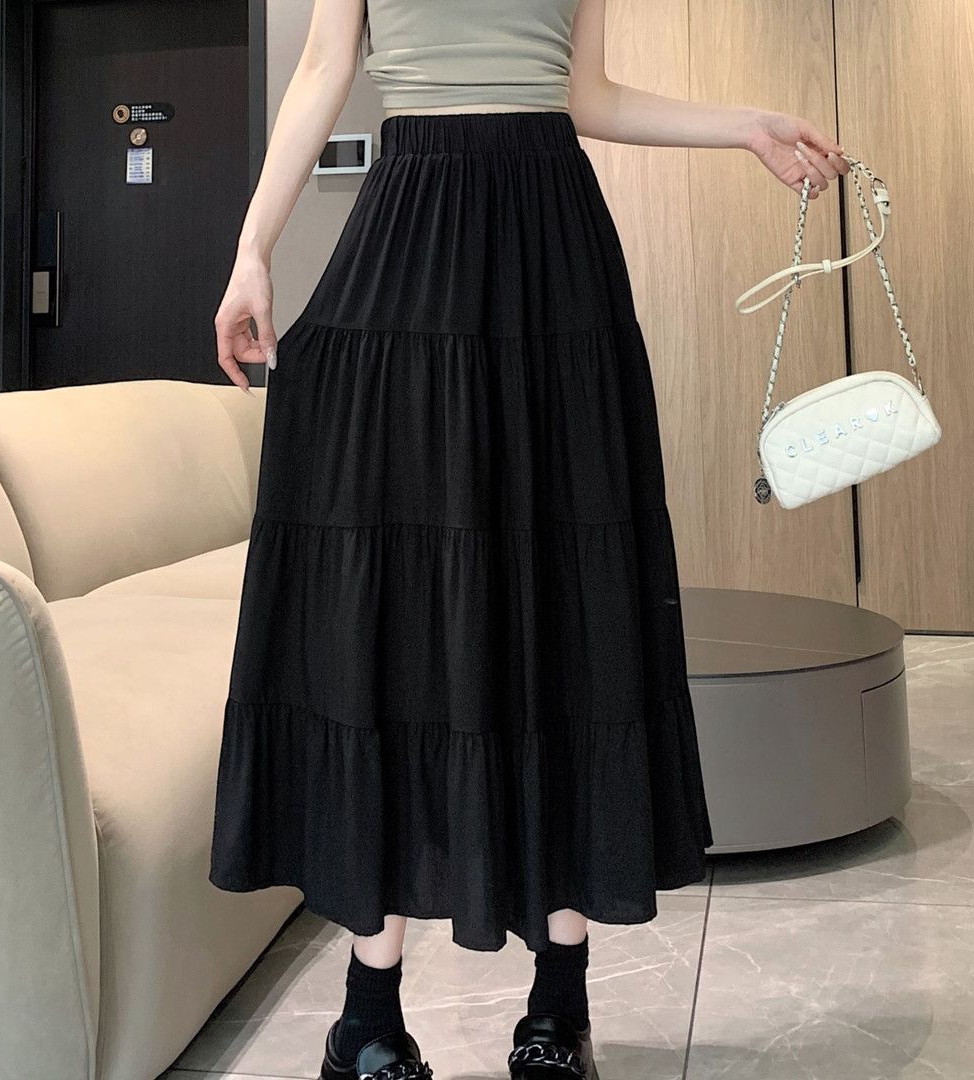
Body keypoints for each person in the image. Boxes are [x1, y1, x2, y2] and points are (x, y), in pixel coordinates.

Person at [209, 1, 849, 1077]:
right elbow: (322, 68)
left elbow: (586, 96)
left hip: (553, 241)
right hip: (411, 227)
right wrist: (251, 252)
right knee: (401, 606)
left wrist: (744, 125)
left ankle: (558, 1009)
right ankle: (369, 1017)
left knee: (564, 602)